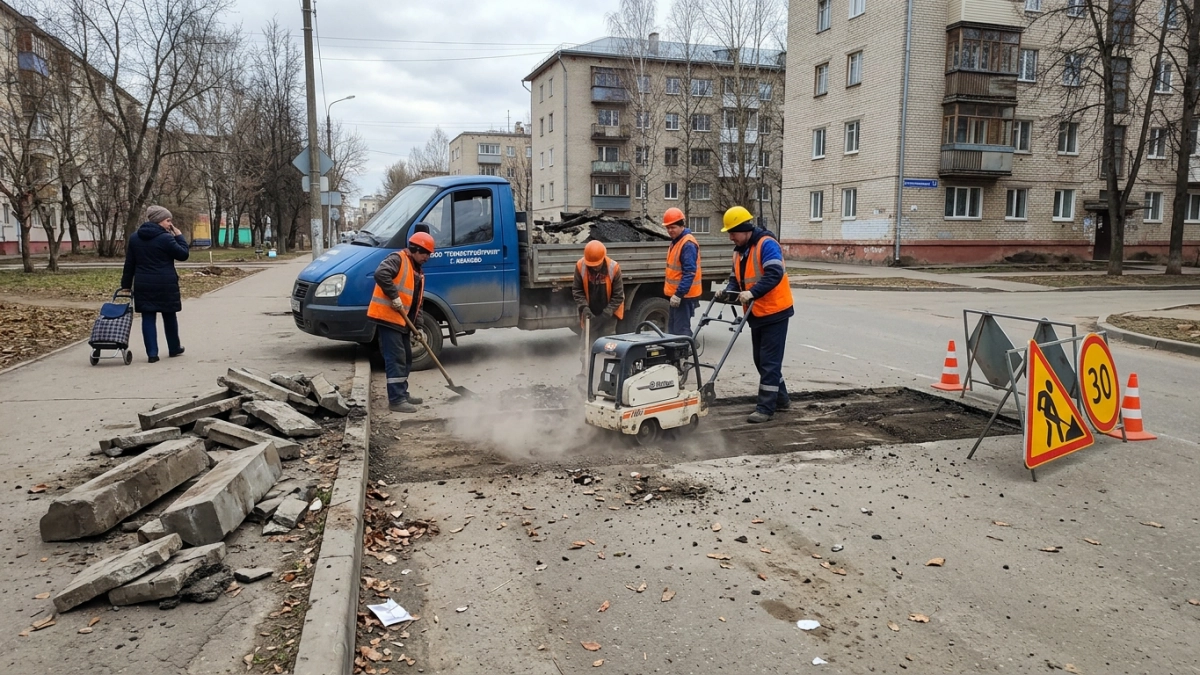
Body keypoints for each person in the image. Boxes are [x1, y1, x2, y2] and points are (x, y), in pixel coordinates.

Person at [720, 206, 793, 424]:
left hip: (775, 311)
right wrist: (727, 291)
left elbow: (774, 273)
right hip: (756, 313)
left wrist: (752, 292)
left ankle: (765, 408)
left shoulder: (766, 244)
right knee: (761, 360)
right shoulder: (738, 251)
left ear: (744, 229)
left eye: (733, 232)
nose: (731, 237)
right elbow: (736, 279)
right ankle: (782, 399)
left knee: (769, 362)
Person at [369, 230, 434, 413]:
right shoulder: (397, 259)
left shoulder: (418, 272)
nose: (427, 258)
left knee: (406, 358)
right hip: (388, 319)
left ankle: (402, 394)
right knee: (396, 358)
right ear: (415, 249)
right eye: (425, 254)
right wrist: (394, 296)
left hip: (403, 322)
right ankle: (396, 400)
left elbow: (417, 304)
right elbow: (381, 274)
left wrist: (418, 328)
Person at [120, 205, 189, 363]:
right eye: (167, 220)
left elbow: (129, 263)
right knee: (169, 315)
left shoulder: (135, 237)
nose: (170, 224)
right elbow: (183, 254)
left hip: (144, 284)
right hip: (165, 283)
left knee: (148, 317)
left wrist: (126, 284)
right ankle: (174, 348)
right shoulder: (166, 238)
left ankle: (152, 354)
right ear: (158, 220)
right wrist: (179, 236)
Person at [573, 240, 625, 362]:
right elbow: (577, 290)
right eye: (592, 265)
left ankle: (605, 372)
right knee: (586, 344)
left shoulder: (614, 268)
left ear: (603, 258)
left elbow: (618, 295)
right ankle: (585, 370)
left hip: (609, 313)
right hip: (589, 312)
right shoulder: (581, 266)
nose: (594, 267)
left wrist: (607, 313)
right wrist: (584, 307)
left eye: (597, 264)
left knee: (608, 345)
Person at [663, 207, 702, 337]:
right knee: (674, 329)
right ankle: (678, 354)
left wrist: (679, 294)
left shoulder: (687, 244)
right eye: (668, 227)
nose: (669, 230)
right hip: (678, 295)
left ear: (681, 226)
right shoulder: (677, 241)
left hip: (684, 296)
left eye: (672, 227)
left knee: (681, 330)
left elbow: (689, 272)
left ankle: (686, 352)